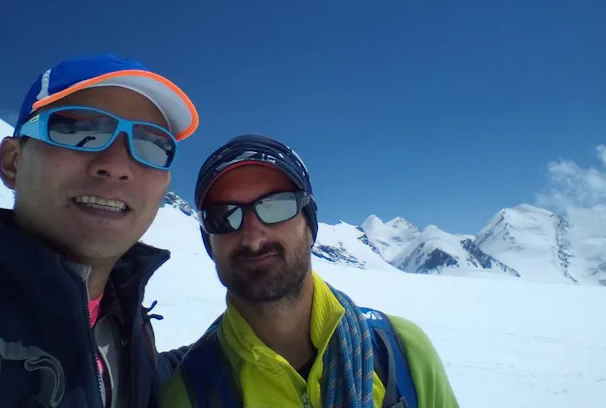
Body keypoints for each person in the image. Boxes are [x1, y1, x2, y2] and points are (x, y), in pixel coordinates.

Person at [0, 53, 199, 408]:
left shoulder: (128, 327)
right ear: (13, 161)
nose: (117, 165)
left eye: (152, 145)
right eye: (79, 131)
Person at [162, 135, 459, 408]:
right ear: (209, 242)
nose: (253, 238)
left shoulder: (400, 352)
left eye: (276, 206)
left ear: (310, 225)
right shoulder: (190, 393)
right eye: (224, 216)